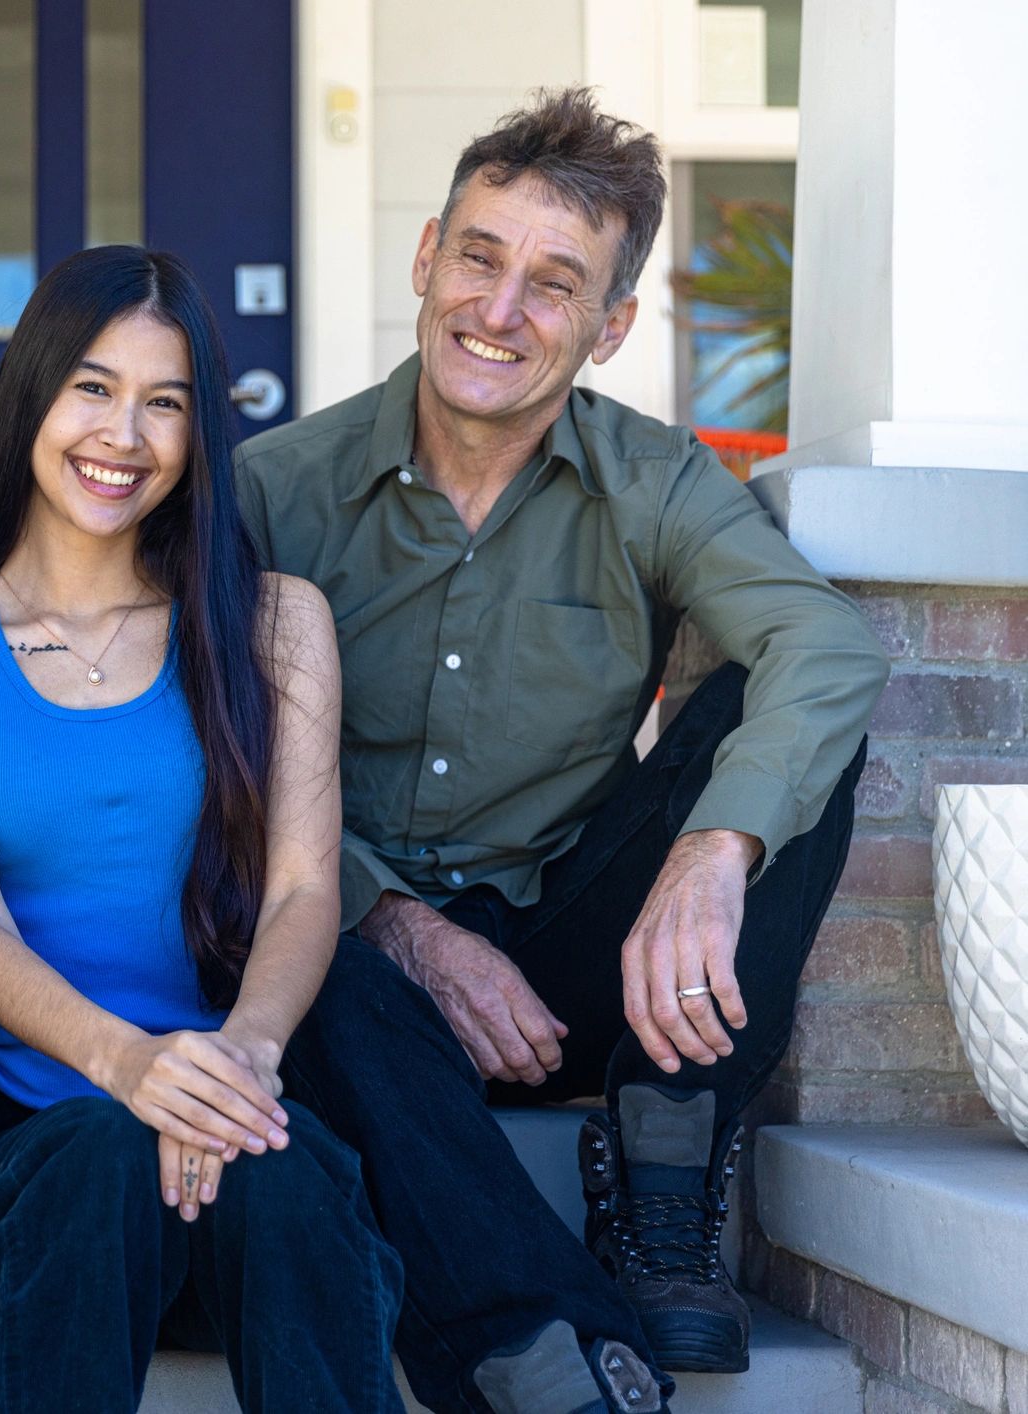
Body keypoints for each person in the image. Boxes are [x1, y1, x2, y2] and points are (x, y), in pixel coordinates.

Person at [234, 88, 888, 1412]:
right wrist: (400, 923)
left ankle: (665, 1160)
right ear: (425, 257)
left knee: (787, 730)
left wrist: (712, 848)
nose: (500, 309)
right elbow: (207, 757)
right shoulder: (271, 490)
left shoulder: (653, 480)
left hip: (571, 955)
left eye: (554, 284)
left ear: (611, 328)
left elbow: (829, 648)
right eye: (479, 257)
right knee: (325, 984)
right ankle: (550, 1346)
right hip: (349, 942)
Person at [0, 245, 404, 1414]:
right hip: (35, 1167)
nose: (124, 433)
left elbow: (306, 886)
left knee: (296, 1174)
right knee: (100, 1157)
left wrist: (243, 1059)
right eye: (92, 389)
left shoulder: (273, 623)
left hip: (231, 1116)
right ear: (32, 398)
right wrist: (128, 1067)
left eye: (165, 402)